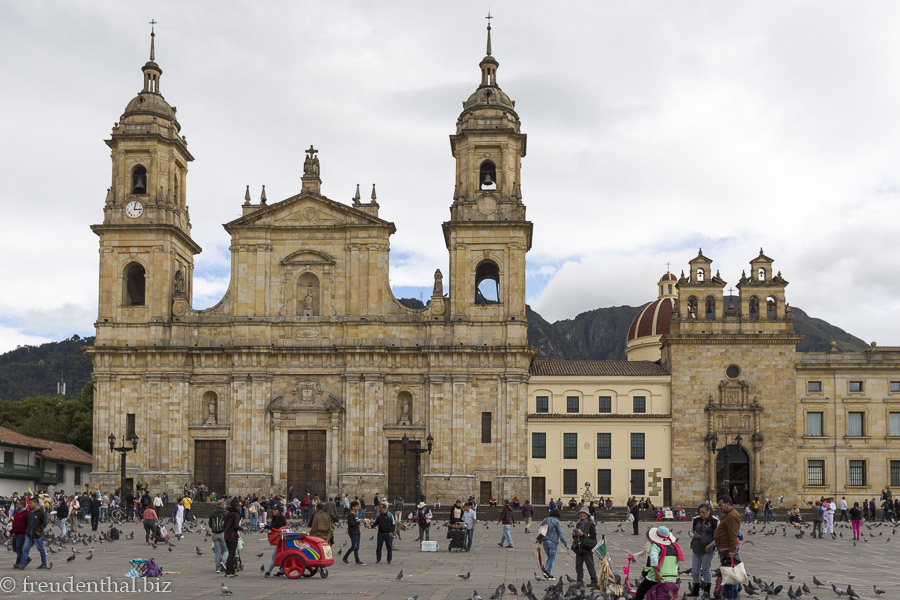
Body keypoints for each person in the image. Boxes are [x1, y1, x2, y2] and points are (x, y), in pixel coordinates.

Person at [633, 526, 682, 600]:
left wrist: (657, 573)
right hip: (672, 577)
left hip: (657, 577)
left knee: (641, 590)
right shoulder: (674, 547)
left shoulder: (656, 547)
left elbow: (654, 559)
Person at [714, 496, 742, 600]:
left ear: (728, 504)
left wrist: (732, 550)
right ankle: (731, 596)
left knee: (730, 576)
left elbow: (733, 534)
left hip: (728, 549)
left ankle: (730, 597)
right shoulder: (728, 515)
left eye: (721, 505)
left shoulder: (732, 516)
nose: (720, 507)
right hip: (725, 548)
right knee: (730, 575)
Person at [688, 504, 718, 597]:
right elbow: (690, 532)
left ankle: (706, 591)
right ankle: (695, 590)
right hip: (696, 547)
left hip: (708, 549)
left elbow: (718, 536)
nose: (701, 514)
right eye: (700, 512)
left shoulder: (715, 521)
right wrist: (693, 536)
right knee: (695, 570)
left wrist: (711, 545)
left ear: (709, 511)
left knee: (706, 569)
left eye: (703, 512)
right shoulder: (696, 520)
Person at [18, 497, 50, 570]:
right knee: (25, 548)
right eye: (29, 503)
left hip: (37, 535)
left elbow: (44, 523)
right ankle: (22, 564)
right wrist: (26, 532)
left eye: (31, 503)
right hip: (29, 534)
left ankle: (44, 564)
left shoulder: (41, 512)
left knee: (41, 549)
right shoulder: (30, 512)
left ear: (36, 503)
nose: (29, 504)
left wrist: (39, 530)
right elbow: (28, 523)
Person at [572, 506, 599, 588]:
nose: (582, 515)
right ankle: (579, 581)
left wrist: (583, 534)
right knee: (578, 565)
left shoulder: (591, 524)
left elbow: (593, 536)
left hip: (587, 547)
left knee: (590, 564)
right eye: (581, 513)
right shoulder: (578, 524)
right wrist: (574, 535)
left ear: (587, 515)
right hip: (579, 547)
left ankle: (594, 580)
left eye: (584, 513)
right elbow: (576, 537)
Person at [539, 509, 567, 581]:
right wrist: (565, 543)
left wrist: (539, 539)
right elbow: (560, 533)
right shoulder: (557, 522)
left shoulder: (545, 520)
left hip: (545, 542)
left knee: (550, 557)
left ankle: (548, 573)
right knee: (552, 558)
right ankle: (548, 573)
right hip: (553, 542)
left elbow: (541, 529)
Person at [264, 503, 288, 577]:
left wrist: (269, 527)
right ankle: (281, 571)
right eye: (273, 510)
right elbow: (273, 527)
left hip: (281, 539)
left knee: (274, 556)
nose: (273, 511)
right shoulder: (275, 517)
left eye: (275, 510)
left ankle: (268, 572)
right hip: (278, 539)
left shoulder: (281, 518)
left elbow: (278, 529)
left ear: (279, 511)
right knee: (280, 555)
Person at [223, 498, 244, 577]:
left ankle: (232, 571)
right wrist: (241, 528)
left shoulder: (228, 513)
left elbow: (224, 525)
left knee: (231, 553)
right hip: (232, 535)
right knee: (231, 554)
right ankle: (228, 572)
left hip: (226, 535)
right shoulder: (236, 514)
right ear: (237, 505)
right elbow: (236, 526)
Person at [342, 500, 366, 565]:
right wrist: (359, 522)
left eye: (358, 506)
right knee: (353, 547)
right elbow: (351, 523)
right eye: (356, 506)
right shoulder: (350, 515)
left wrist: (361, 521)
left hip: (357, 532)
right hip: (353, 532)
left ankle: (357, 560)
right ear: (353, 507)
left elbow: (356, 522)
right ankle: (345, 557)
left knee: (357, 547)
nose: (358, 508)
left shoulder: (355, 515)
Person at [209, 499, 227, 573]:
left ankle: (218, 568)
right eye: (225, 504)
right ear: (223, 505)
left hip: (214, 534)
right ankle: (223, 561)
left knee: (217, 551)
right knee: (226, 550)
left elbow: (210, 524)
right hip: (222, 533)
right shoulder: (225, 513)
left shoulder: (212, 513)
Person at [11, 498, 29, 568]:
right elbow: (15, 523)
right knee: (14, 547)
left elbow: (28, 524)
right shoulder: (17, 512)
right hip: (16, 533)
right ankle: (26, 558)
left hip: (22, 533)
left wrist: (26, 533)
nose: (16, 505)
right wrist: (11, 532)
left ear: (22, 505)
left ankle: (18, 562)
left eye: (18, 504)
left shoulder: (26, 513)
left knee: (19, 547)